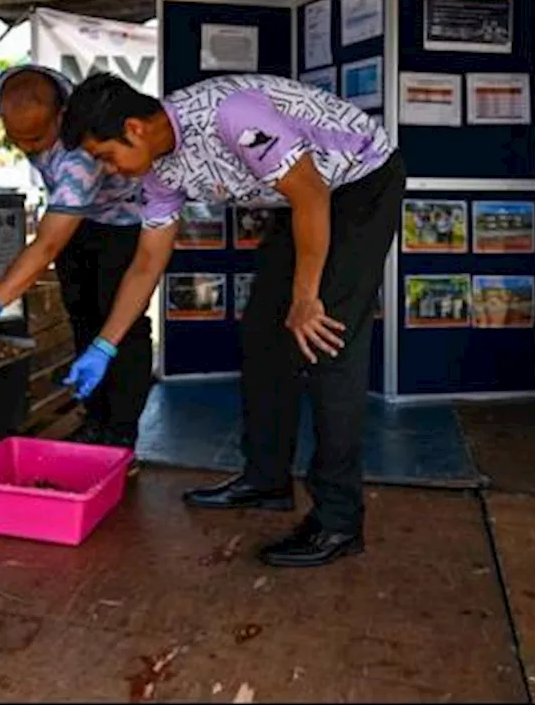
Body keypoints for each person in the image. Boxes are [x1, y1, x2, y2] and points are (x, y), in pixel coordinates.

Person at [59, 72, 406, 568]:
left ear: (134, 128)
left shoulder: (232, 117)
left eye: (105, 156)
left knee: (325, 340)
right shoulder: (157, 171)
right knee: (263, 336)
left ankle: (338, 520)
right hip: (307, 196)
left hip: (361, 180)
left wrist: (307, 297)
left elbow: (310, 194)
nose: (109, 170)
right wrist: (104, 345)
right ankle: (266, 479)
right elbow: (146, 262)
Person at [0, 65, 153, 448]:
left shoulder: (80, 157)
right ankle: (95, 420)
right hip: (71, 217)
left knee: (120, 324)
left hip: (122, 222)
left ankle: (121, 434)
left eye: (38, 138)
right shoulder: (10, 90)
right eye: (17, 138)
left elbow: (46, 245)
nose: (28, 148)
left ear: (61, 116)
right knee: (81, 315)